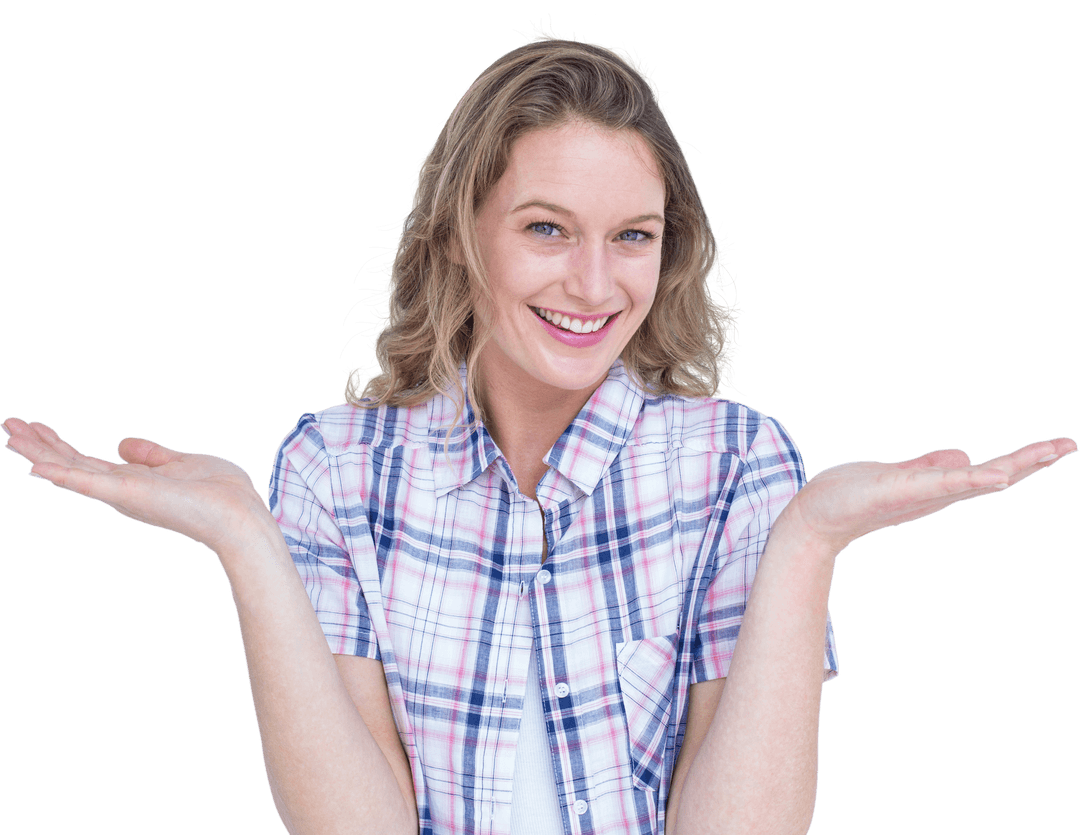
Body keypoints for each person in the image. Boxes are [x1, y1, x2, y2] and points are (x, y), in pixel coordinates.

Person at [2, 26, 1074, 835]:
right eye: (547, 229)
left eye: (634, 236)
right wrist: (245, 542)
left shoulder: (738, 462)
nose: (595, 284)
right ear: (466, 231)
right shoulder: (336, 467)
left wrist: (810, 543)